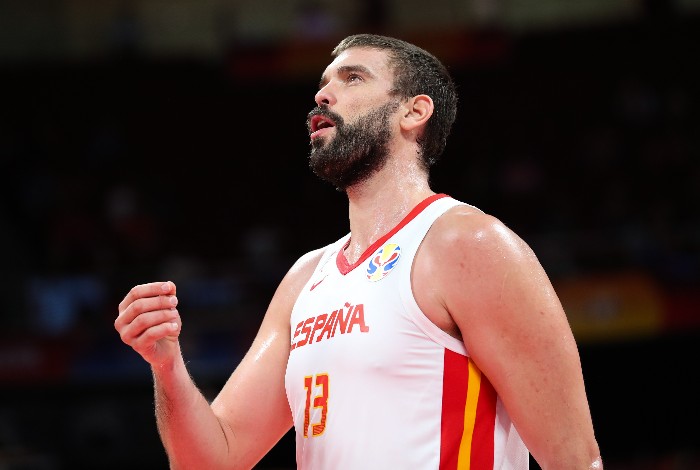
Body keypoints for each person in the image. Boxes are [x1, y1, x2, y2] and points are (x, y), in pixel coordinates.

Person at [115, 34, 603, 469]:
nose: (323, 95)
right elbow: (212, 461)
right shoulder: (306, 278)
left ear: (413, 111)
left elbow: (575, 460)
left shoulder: (468, 245)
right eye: (324, 83)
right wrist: (167, 366)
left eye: (353, 78)